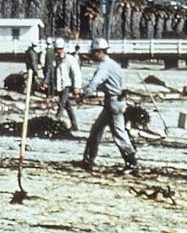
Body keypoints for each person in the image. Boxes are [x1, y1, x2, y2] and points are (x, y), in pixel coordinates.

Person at [78, 38, 138, 174]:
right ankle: (88, 160)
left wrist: (83, 95)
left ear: (100, 52)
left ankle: (132, 163)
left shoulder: (104, 67)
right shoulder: (114, 64)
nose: (92, 55)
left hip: (113, 104)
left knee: (119, 134)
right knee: (96, 130)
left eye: (94, 52)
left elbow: (95, 82)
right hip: (114, 102)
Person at [45, 38, 82, 131]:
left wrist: (77, 86)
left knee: (61, 104)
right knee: (68, 106)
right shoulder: (55, 60)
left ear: (61, 49)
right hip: (59, 86)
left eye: (57, 50)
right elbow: (50, 71)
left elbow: (76, 73)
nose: (56, 52)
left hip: (67, 86)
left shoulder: (70, 59)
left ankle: (56, 120)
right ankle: (75, 126)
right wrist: (46, 81)